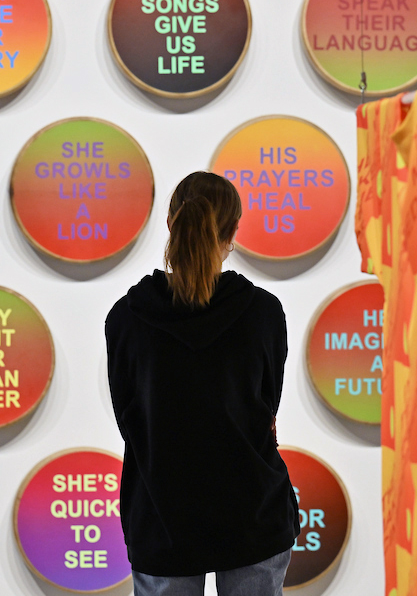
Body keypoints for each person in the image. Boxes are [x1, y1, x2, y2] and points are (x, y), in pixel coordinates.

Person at [105, 171, 299, 595]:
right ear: (232, 232)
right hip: (254, 514)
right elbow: (267, 408)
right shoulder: (264, 313)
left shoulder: (126, 318)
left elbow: (129, 419)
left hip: (160, 517)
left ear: (171, 223)